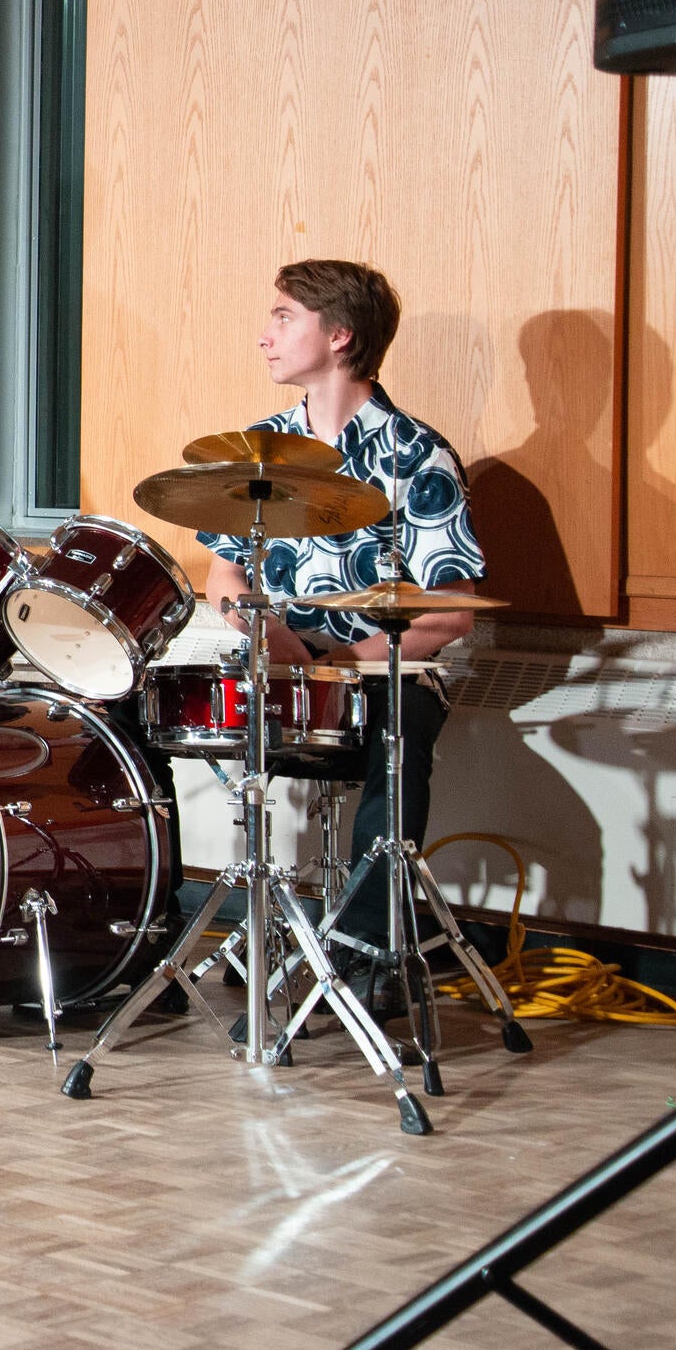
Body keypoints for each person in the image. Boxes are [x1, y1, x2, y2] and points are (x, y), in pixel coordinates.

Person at [197, 259, 486, 979]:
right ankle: (143, 929)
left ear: (340, 335)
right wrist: (265, 629)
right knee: (142, 708)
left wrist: (346, 660)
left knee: (398, 724)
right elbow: (223, 574)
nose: (265, 335)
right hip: (286, 659)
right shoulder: (259, 450)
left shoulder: (417, 455)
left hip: (382, 669)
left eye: (284, 316)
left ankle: (363, 948)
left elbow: (451, 610)